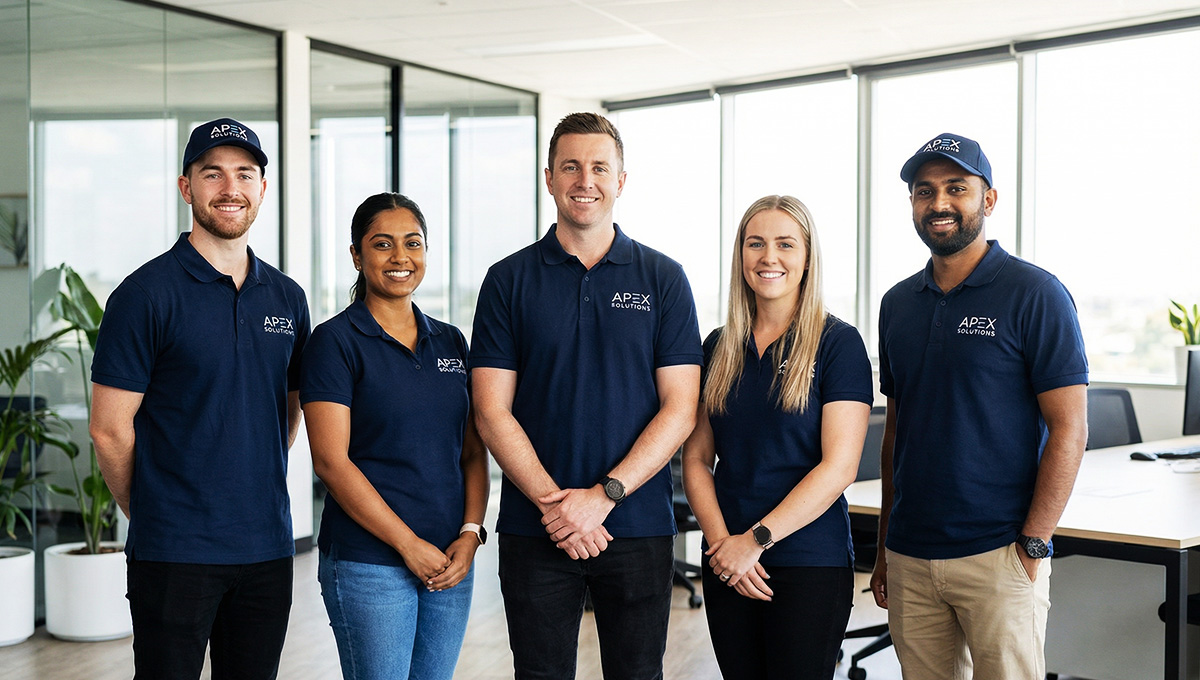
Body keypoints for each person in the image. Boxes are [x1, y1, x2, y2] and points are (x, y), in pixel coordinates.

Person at [470, 112, 703, 680]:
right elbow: (490, 409)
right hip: (535, 527)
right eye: (570, 166)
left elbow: (681, 407)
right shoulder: (507, 281)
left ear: (622, 180)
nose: (585, 180)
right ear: (548, 177)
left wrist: (603, 496)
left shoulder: (663, 278)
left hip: (636, 523)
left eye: (600, 167)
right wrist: (558, 506)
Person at [89, 118, 311, 679]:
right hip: (174, 551)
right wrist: (151, 512)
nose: (229, 188)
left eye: (244, 174)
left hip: (265, 547)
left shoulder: (287, 297)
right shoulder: (143, 296)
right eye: (212, 173)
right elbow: (109, 429)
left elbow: (287, 408)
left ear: (263, 187)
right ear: (186, 187)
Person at [870, 133, 1089, 679]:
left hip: (999, 552)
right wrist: (884, 549)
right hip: (911, 554)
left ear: (987, 200)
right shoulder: (898, 304)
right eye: (924, 191)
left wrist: (1034, 544)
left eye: (956, 188)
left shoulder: (1035, 294)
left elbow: (1070, 429)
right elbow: (897, 433)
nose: (938, 203)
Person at [681, 195, 872, 680]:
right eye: (756, 243)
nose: (769, 257)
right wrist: (725, 545)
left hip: (807, 561)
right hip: (726, 562)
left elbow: (839, 467)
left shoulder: (837, 343)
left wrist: (756, 541)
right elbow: (698, 458)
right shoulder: (718, 346)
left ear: (807, 256)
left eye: (785, 244)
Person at [300, 193, 489, 680]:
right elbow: (331, 462)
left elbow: (471, 453)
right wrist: (408, 544)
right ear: (358, 256)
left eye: (413, 243)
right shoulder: (334, 342)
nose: (401, 257)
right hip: (370, 565)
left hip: (450, 559)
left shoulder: (450, 342)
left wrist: (470, 535)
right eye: (383, 244)